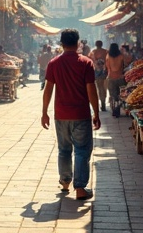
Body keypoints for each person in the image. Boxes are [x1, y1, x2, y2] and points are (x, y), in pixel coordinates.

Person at [41, 29, 100, 201]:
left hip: (61, 114)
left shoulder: (54, 63)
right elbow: (91, 90)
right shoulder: (86, 63)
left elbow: (48, 89)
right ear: (78, 43)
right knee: (81, 150)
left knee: (64, 149)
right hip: (81, 114)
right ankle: (80, 187)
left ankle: (65, 181)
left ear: (61, 43)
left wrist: (44, 112)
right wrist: (96, 112)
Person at [105, 43, 126, 116]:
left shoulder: (108, 56)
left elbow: (107, 67)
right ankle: (119, 109)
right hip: (120, 78)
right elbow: (123, 66)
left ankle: (114, 110)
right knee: (121, 95)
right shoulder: (121, 56)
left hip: (111, 78)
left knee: (113, 95)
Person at [89, 40, 108, 111]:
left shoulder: (92, 52)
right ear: (102, 44)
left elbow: (90, 62)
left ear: (96, 45)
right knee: (104, 87)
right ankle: (103, 102)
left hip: (96, 72)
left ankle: (100, 102)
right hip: (105, 72)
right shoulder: (106, 52)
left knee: (98, 88)